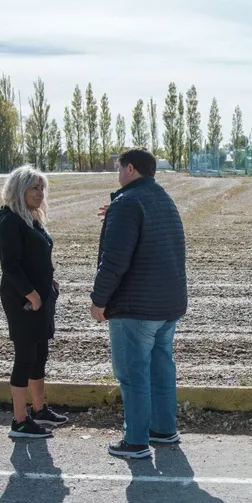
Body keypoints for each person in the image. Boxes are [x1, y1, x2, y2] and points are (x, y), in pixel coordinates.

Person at [91, 148, 188, 459]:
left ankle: (135, 441)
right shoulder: (163, 200)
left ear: (130, 169)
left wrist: (99, 299)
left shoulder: (127, 203)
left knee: (133, 374)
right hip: (167, 304)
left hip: (135, 307)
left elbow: (114, 261)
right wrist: (116, 213)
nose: (117, 174)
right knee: (162, 369)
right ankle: (163, 430)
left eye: (119, 168)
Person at [0, 165, 69, 438]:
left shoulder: (31, 219)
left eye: (42, 188)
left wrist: (50, 283)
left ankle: (39, 410)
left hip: (41, 298)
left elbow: (37, 259)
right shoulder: (10, 222)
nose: (40, 193)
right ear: (18, 189)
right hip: (23, 301)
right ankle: (19, 421)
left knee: (40, 356)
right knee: (24, 357)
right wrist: (33, 295)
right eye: (34, 188)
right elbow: (11, 266)